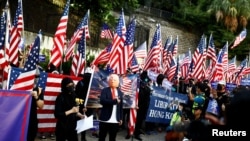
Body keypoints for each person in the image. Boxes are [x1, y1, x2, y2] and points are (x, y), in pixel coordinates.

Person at [98, 73, 123, 141]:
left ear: (118, 82)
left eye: (114, 80)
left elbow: (120, 106)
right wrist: (114, 101)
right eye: (111, 79)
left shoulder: (120, 92)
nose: (112, 81)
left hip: (115, 120)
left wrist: (120, 118)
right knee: (102, 137)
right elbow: (102, 101)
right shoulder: (104, 90)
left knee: (112, 138)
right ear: (108, 81)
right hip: (105, 118)